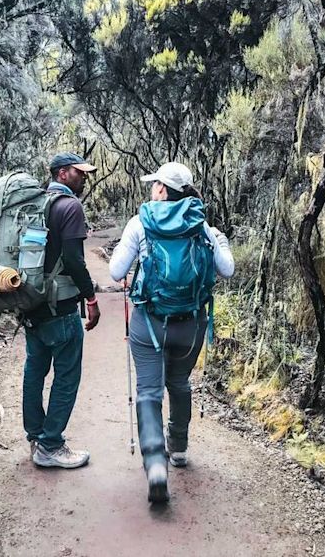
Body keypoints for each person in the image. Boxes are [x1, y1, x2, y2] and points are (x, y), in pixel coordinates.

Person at [109, 162, 234, 501]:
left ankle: (155, 462)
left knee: (149, 391)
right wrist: (218, 240)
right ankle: (178, 447)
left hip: (148, 323)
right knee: (179, 383)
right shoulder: (201, 224)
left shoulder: (140, 223)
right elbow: (227, 269)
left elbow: (115, 270)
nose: (152, 190)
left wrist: (131, 248)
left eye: (155, 185)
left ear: (162, 189)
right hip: (190, 326)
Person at [23, 152, 101, 469]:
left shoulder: (33, 204)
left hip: (29, 301)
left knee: (35, 369)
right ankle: (51, 445)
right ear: (63, 173)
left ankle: (35, 434)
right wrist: (91, 298)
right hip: (61, 306)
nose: (85, 178)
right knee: (66, 375)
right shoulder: (70, 207)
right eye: (80, 173)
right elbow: (73, 259)